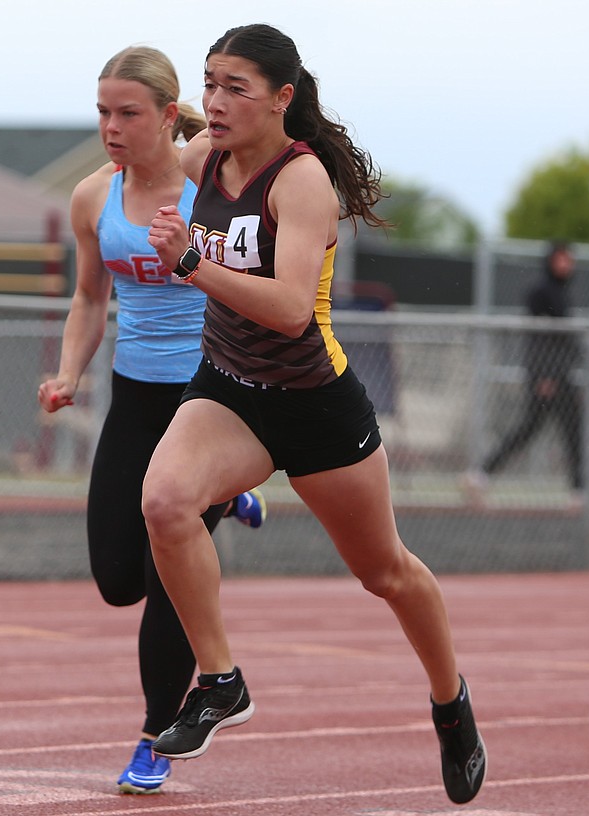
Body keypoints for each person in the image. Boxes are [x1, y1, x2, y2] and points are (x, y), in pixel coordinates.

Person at [139, 24, 486, 805]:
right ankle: (221, 681)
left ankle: (450, 701)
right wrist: (128, 129)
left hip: (315, 405)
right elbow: (134, 170)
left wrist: (190, 263)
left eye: (236, 88)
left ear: (282, 99)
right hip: (229, 391)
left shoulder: (301, 182)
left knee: (385, 572)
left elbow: (293, 312)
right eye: (209, 83)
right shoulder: (203, 161)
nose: (216, 102)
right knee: (163, 503)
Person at [36, 45, 266, 796]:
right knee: (115, 578)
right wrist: (69, 373)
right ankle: (227, 499)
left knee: (166, 577)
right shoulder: (89, 199)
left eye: (127, 112)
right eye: (102, 112)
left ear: (168, 117)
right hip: (135, 397)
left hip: (207, 397)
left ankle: (154, 739)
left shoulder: (213, 186)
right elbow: (88, 299)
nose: (111, 126)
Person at [465, 242, 584, 504]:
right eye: (561, 258)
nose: (566, 264)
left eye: (569, 259)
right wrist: (545, 375)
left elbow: (566, 339)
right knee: (530, 428)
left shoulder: (562, 292)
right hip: (548, 374)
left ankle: (579, 490)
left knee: (573, 429)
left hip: (561, 373)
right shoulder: (542, 292)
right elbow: (540, 339)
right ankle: (481, 474)